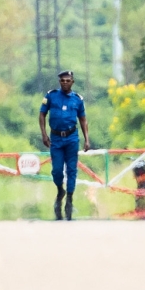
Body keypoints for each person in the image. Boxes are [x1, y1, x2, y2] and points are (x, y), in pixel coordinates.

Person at [39, 70, 90, 220]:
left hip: (72, 138)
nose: (65, 83)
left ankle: (69, 198)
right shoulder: (51, 96)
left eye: (68, 80)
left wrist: (87, 139)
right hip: (55, 138)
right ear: (59, 82)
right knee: (57, 171)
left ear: (72, 82)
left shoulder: (78, 100)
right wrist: (44, 134)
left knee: (72, 170)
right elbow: (42, 114)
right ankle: (60, 190)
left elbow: (83, 120)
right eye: (62, 80)